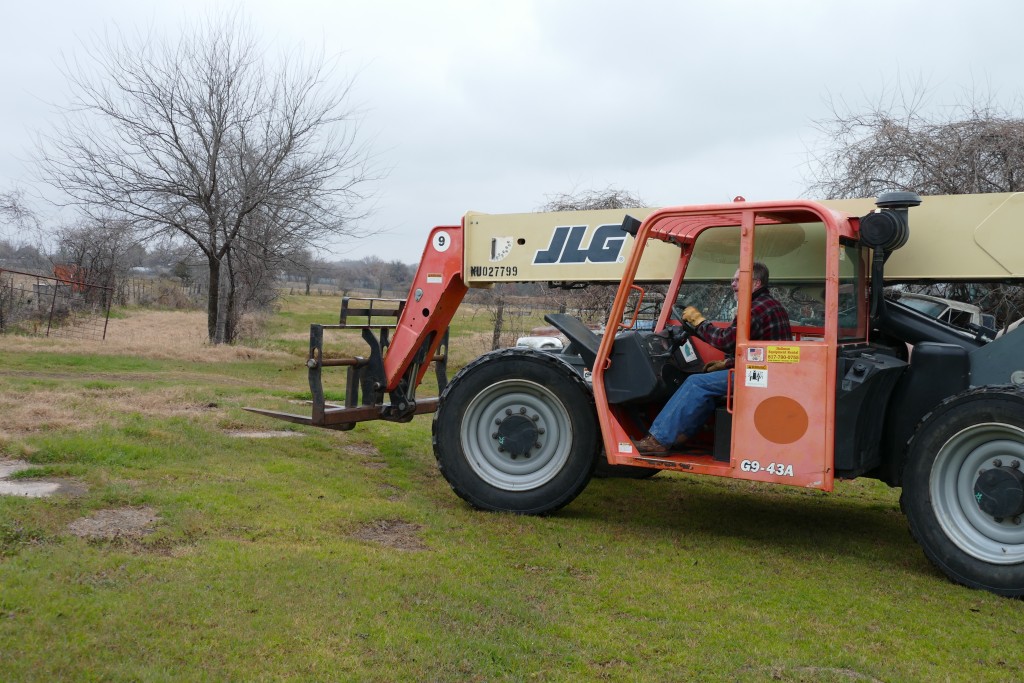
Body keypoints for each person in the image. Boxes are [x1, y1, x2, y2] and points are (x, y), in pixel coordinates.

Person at [635, 261, 792, 453]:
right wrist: (727, 362)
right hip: (766, 371)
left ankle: (658, 439)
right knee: (706, 390)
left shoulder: (755, 308)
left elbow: (726, 341)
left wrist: (700, 323)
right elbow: (754, 349)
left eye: (738, 279)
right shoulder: (768, 304)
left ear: (756, 283)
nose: (732, 284)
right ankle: (679, 437)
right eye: (733, 280)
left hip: (760, 375)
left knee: (696, 383)